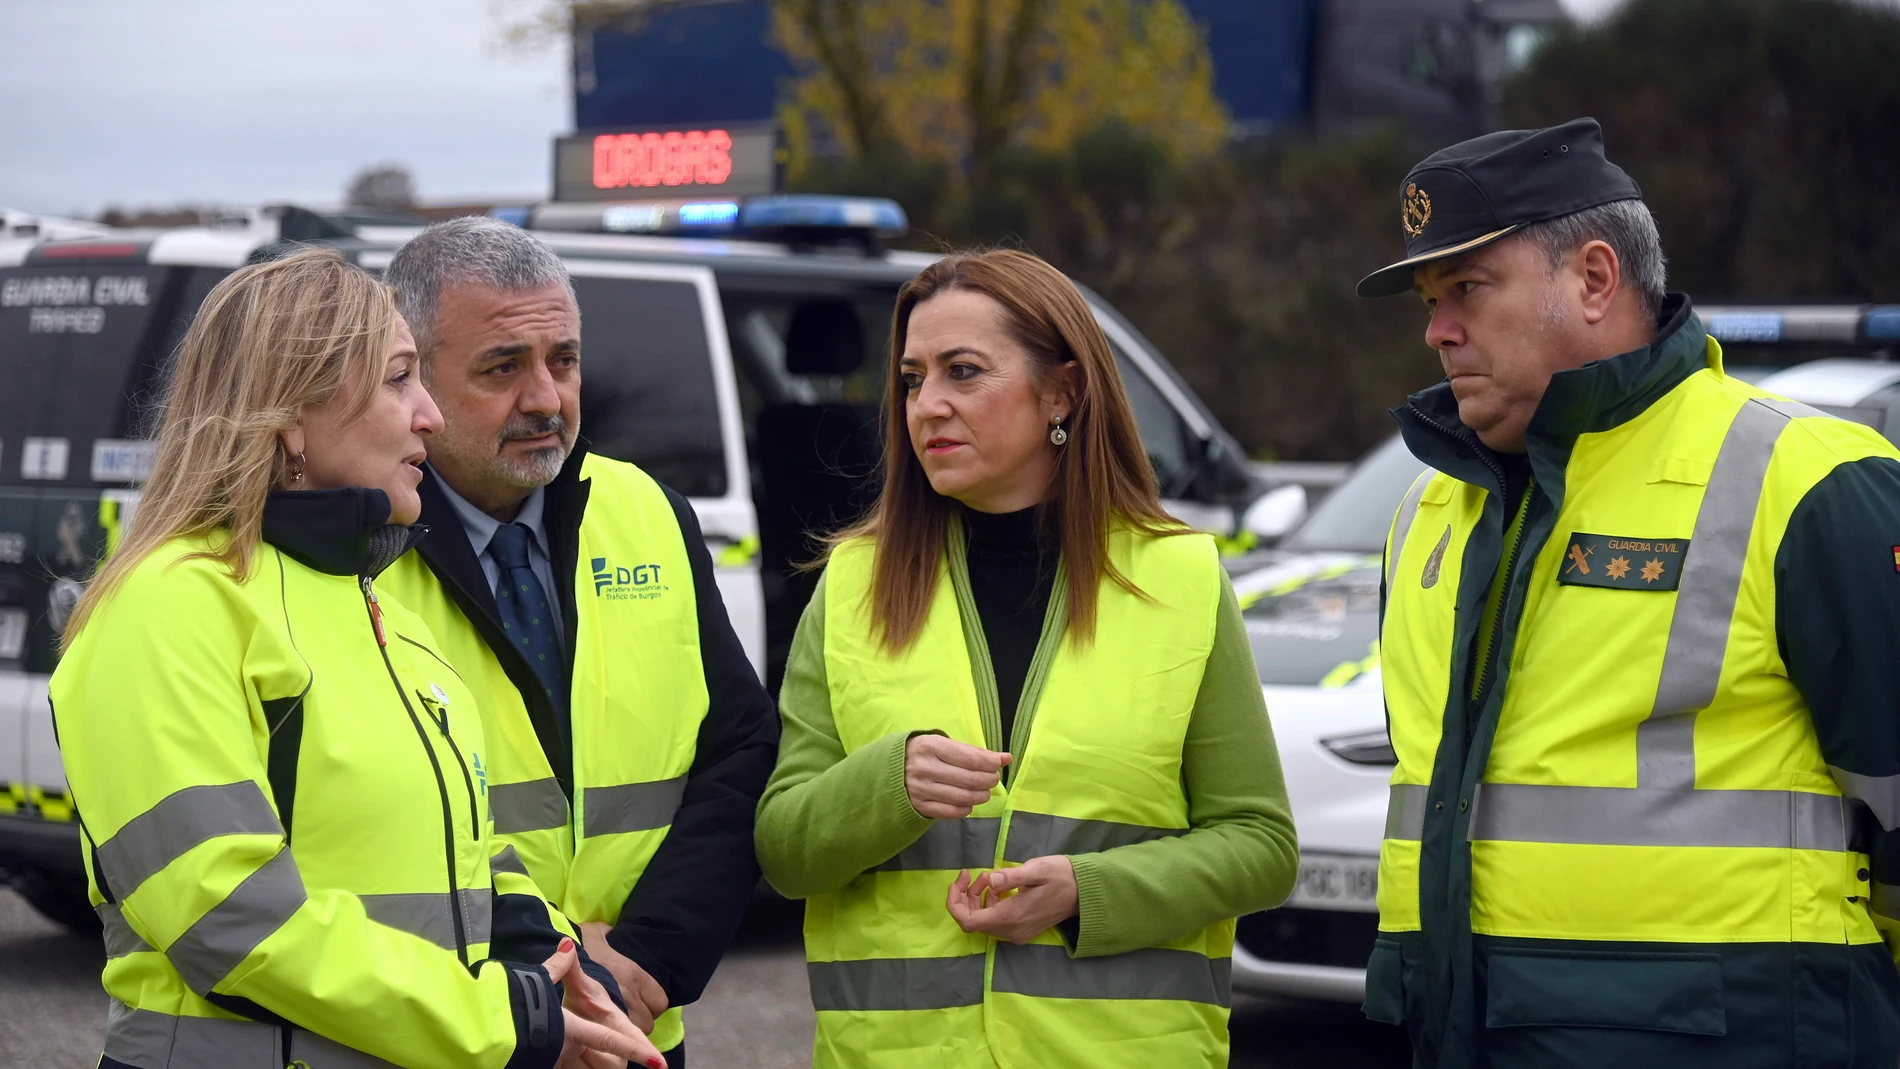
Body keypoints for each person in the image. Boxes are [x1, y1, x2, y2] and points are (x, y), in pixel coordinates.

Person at [1358, 117, 1900, 1067]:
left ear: (1596, 280)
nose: (1437, 329)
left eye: (1468, 289)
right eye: (1429, 298)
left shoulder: (1808, 479)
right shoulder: (1427, 512)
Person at [51, 249, 661, 1069]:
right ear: (288, 415)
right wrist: (503, 1021)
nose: (431, 416)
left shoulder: (386, 613)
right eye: (399, 378)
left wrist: (564, 972)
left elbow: (470, 860)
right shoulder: (168, 607)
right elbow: (229, 920)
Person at [754, 248, 1299, 1068]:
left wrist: (1088, 891)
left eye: (962, 372)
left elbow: (1261, 845)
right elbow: (783, 851)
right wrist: (884, 785)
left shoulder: (1179, 577)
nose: (927, 404)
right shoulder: (851, 583)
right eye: (911, 378)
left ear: (1062, 392)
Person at [378, 217, 779, 1068]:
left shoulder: (646, 512)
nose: (546, 398)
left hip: (633, 1023)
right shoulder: (360, 554)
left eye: (563, 360)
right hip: (461, 1031)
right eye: (502, 367)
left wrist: (646, 961)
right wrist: (541, 976)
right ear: (412, 376)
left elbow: (739, 751)